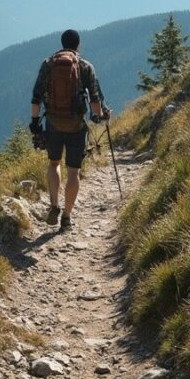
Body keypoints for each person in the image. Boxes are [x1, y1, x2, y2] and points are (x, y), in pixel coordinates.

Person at [29, 29, 109, 231]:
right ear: (78, 45)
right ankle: (66, 216)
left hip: (54, 123)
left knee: (54, 162)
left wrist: (35, 121)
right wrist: (100, 116)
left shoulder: (48, 64)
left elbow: (36, 96)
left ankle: (54, 204)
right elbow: (95, 100)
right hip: (76, 125)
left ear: (62, 43)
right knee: (73, 171)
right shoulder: (84, 66)